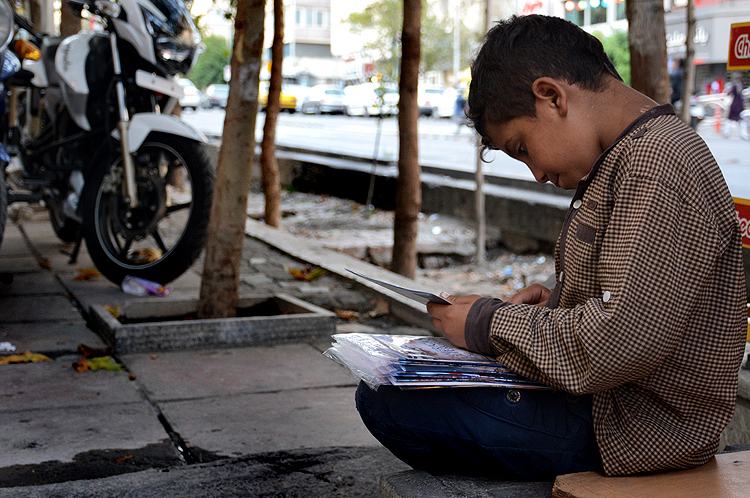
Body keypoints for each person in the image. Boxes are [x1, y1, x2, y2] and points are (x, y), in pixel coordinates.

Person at [355, 15, 746, 480]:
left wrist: (487, 324)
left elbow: (620, 342)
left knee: (390, 401)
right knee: (394, 382)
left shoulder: (656, 165)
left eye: (521, 147)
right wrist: (557, 302)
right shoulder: (629, 155)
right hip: (607, 406)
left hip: (632, 431)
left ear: (552, 95)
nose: (536, 172)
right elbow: (632, 300)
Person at [724, 71, 745, 138]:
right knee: (741, 119)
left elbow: (730, 93)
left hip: (734, 103)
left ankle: (727, 132)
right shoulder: (741, 85)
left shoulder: (733, 85)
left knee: (729, 119)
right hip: (740, 104)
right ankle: (742, 134)